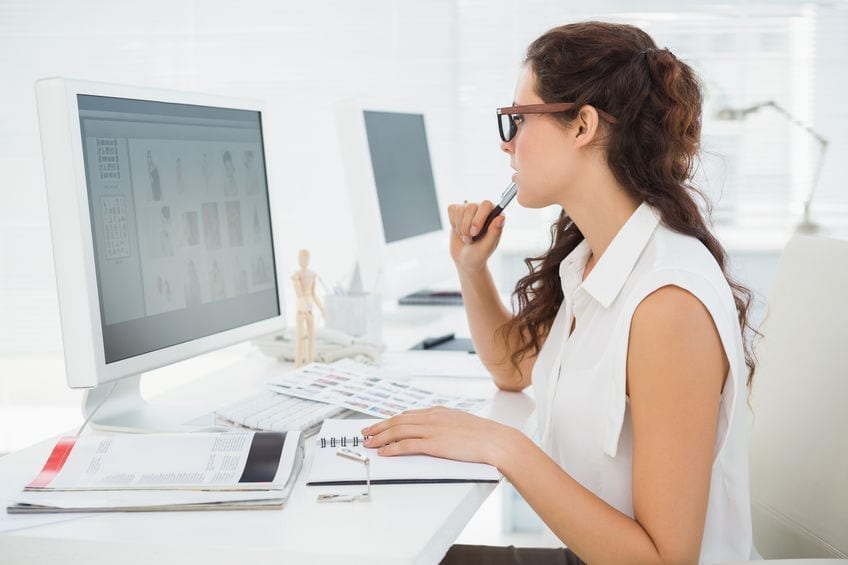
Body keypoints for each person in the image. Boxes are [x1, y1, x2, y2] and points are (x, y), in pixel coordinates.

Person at [363, 21, 758, 564]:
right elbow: (513, 368)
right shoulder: (595, 257)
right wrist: (472, 269)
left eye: (518, 120)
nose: (507, 142)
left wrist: (503, 448)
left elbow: (666, 561)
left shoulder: (669, 304)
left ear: (582, 126)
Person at [291, 249, 325, 367]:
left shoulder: (312, 274)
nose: (303, 260)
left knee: (311, 338)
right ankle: (298, 365)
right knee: (300, 338)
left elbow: (313, 293)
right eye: (301, 258)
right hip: (301, 309)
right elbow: (299, 293)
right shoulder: (296, 275)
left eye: (305, 258)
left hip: (309, 308)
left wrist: (322, 308)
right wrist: (304, 306)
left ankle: (310, 363)